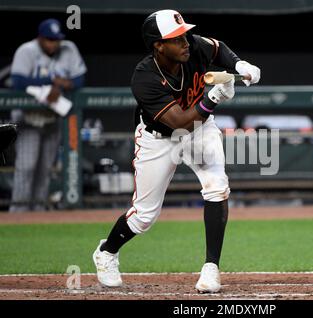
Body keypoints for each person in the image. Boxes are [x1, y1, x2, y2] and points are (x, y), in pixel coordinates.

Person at [93, 9, 260, 293]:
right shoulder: (144, 78)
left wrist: (240, 63)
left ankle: (211, 269)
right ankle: (107, 252)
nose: (185, 41)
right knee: (144, 216)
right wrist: (216, 96)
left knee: (217, 187)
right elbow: (181, 121)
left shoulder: (193, 45)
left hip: (201, 131)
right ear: (158, 45)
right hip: (160, 139)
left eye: (184, 34)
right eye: (175, 38)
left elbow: (218, 48)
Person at [9, 18, 87, 212]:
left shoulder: (68, 49)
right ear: (40, 38)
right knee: (26, 168)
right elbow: (17, 82)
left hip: (52, 119)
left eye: (56, 39)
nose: (53, 43)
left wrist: (62, 84)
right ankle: (18, 213)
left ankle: (37, 213)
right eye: (49, 39)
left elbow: (79, 79)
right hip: (28, 118)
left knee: (44, 171)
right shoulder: (26, 51)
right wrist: (52, 80)